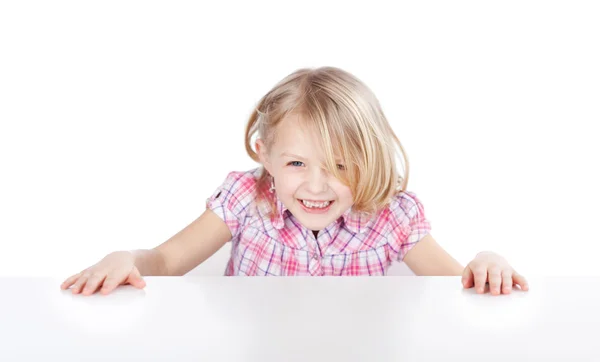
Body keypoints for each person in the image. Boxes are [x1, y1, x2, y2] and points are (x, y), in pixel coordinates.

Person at [61, 66, 529, 296]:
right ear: (264, 154)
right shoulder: (246, 199)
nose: (318, 187)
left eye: (342, 166)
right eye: (297, 165)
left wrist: (487, 260)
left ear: (370, 159)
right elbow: (165, 260)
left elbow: (458, 288)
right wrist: (126, 258)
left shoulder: (390, 218)